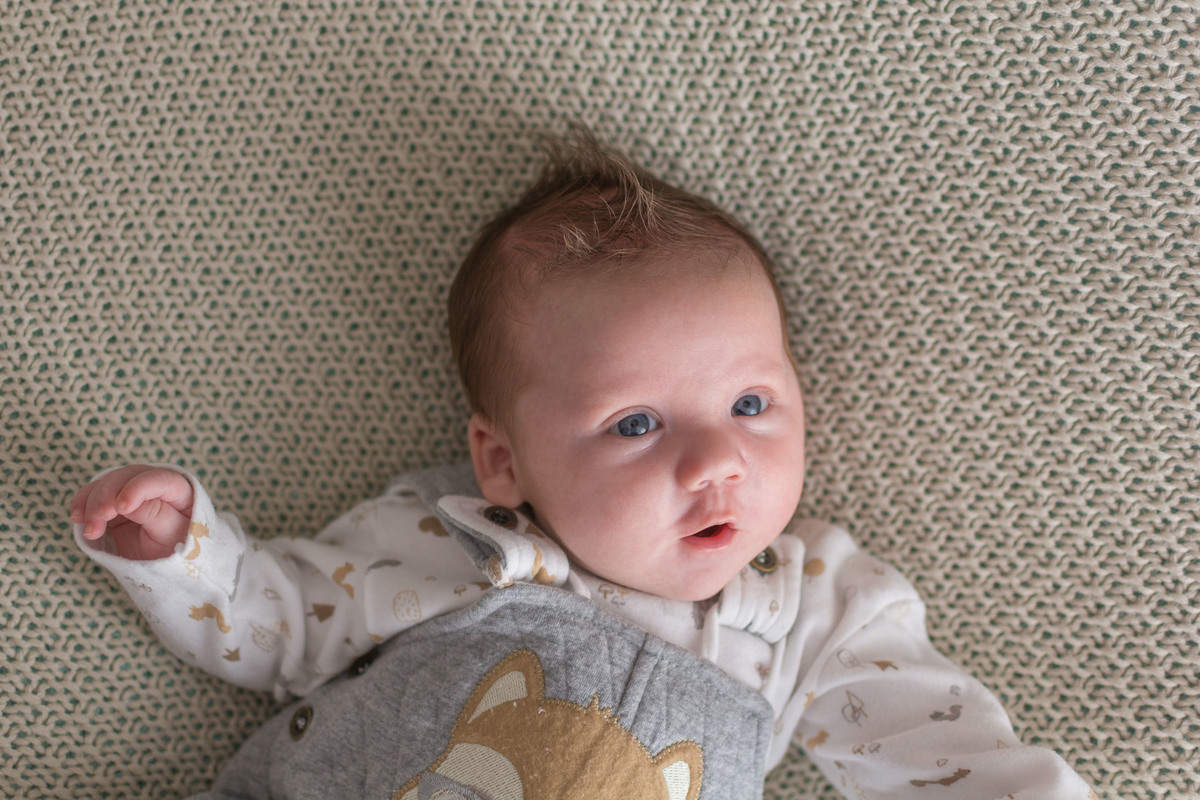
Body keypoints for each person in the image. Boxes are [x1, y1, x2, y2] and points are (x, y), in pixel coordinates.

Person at [70, 131, 1093, 799]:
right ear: (503, 459)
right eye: (637, 422)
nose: (717, 460)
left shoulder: (811, 609)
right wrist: (187, 552)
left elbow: (944, 756)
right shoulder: (438, 542)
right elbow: (276, 627)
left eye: (749, 405)